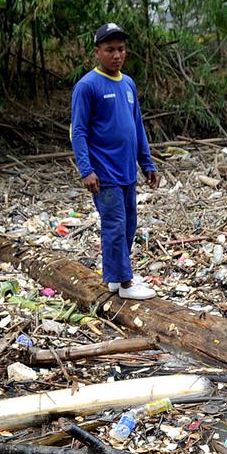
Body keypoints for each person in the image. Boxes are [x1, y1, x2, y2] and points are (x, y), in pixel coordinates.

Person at [70, 23, 161, 300]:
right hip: (104, 172)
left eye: (121, 49)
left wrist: (147, 163)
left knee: (129, 224)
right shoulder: (87, 86)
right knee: (115, 225)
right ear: (97, 52)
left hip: (127, 170)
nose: (117, 55)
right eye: (110, 50)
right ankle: (125, 283)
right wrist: (86, 169)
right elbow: (78, 131)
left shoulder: (128, 83)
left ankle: (115, 275)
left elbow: (137, 126)